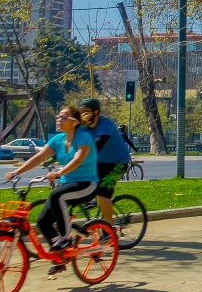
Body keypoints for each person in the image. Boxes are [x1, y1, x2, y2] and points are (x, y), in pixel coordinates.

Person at [7, 107, 96, 275]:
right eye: (58, 117)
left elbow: (77, 160)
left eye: (63, 117)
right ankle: (60, 257)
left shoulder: (84, 138)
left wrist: (58, 173)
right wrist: (16, 172)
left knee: (57, 196)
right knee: (42, 222)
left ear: (75, 122)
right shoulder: (58, 139)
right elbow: (38, 158)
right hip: (66, 184)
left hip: (86, 185)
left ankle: (65, 240)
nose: (59, 120)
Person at [79, 98, 129, 224]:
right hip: (101, 162)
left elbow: (98, 145)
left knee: (103, 194)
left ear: (96, 112)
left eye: (87, 111)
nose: (83, 115)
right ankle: (90, 201)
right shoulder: (84, 127)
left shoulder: (106, 124)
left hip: (118, 163)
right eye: (82, 112)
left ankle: (108, 231)